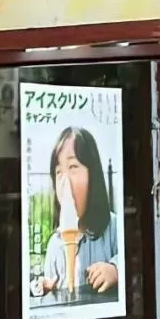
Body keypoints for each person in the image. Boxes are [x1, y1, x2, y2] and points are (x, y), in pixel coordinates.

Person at [40, 125, 119, 301]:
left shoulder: (114, 228)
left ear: (93, 175)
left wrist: (115, 270)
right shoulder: (55, 245)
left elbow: (135, 264)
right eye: (59, 172)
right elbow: (50, 289)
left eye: (73, 166)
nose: (65, 181)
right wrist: (45, 288)